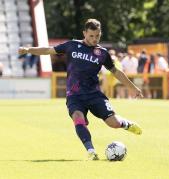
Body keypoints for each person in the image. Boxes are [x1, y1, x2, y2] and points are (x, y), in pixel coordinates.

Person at [18, 19, 143, 160]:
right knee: (78, 118)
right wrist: (29, 50)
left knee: (113, 123)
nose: (94, 39)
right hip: (74, 95)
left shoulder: (102, 53)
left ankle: (126, 124)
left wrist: (133, 87)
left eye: (97, 36)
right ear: (84, 33)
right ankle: (91, 151)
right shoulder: (71, 45)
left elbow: (116, 71)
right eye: (91, 36)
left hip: (94, 95)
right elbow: (48, 50)